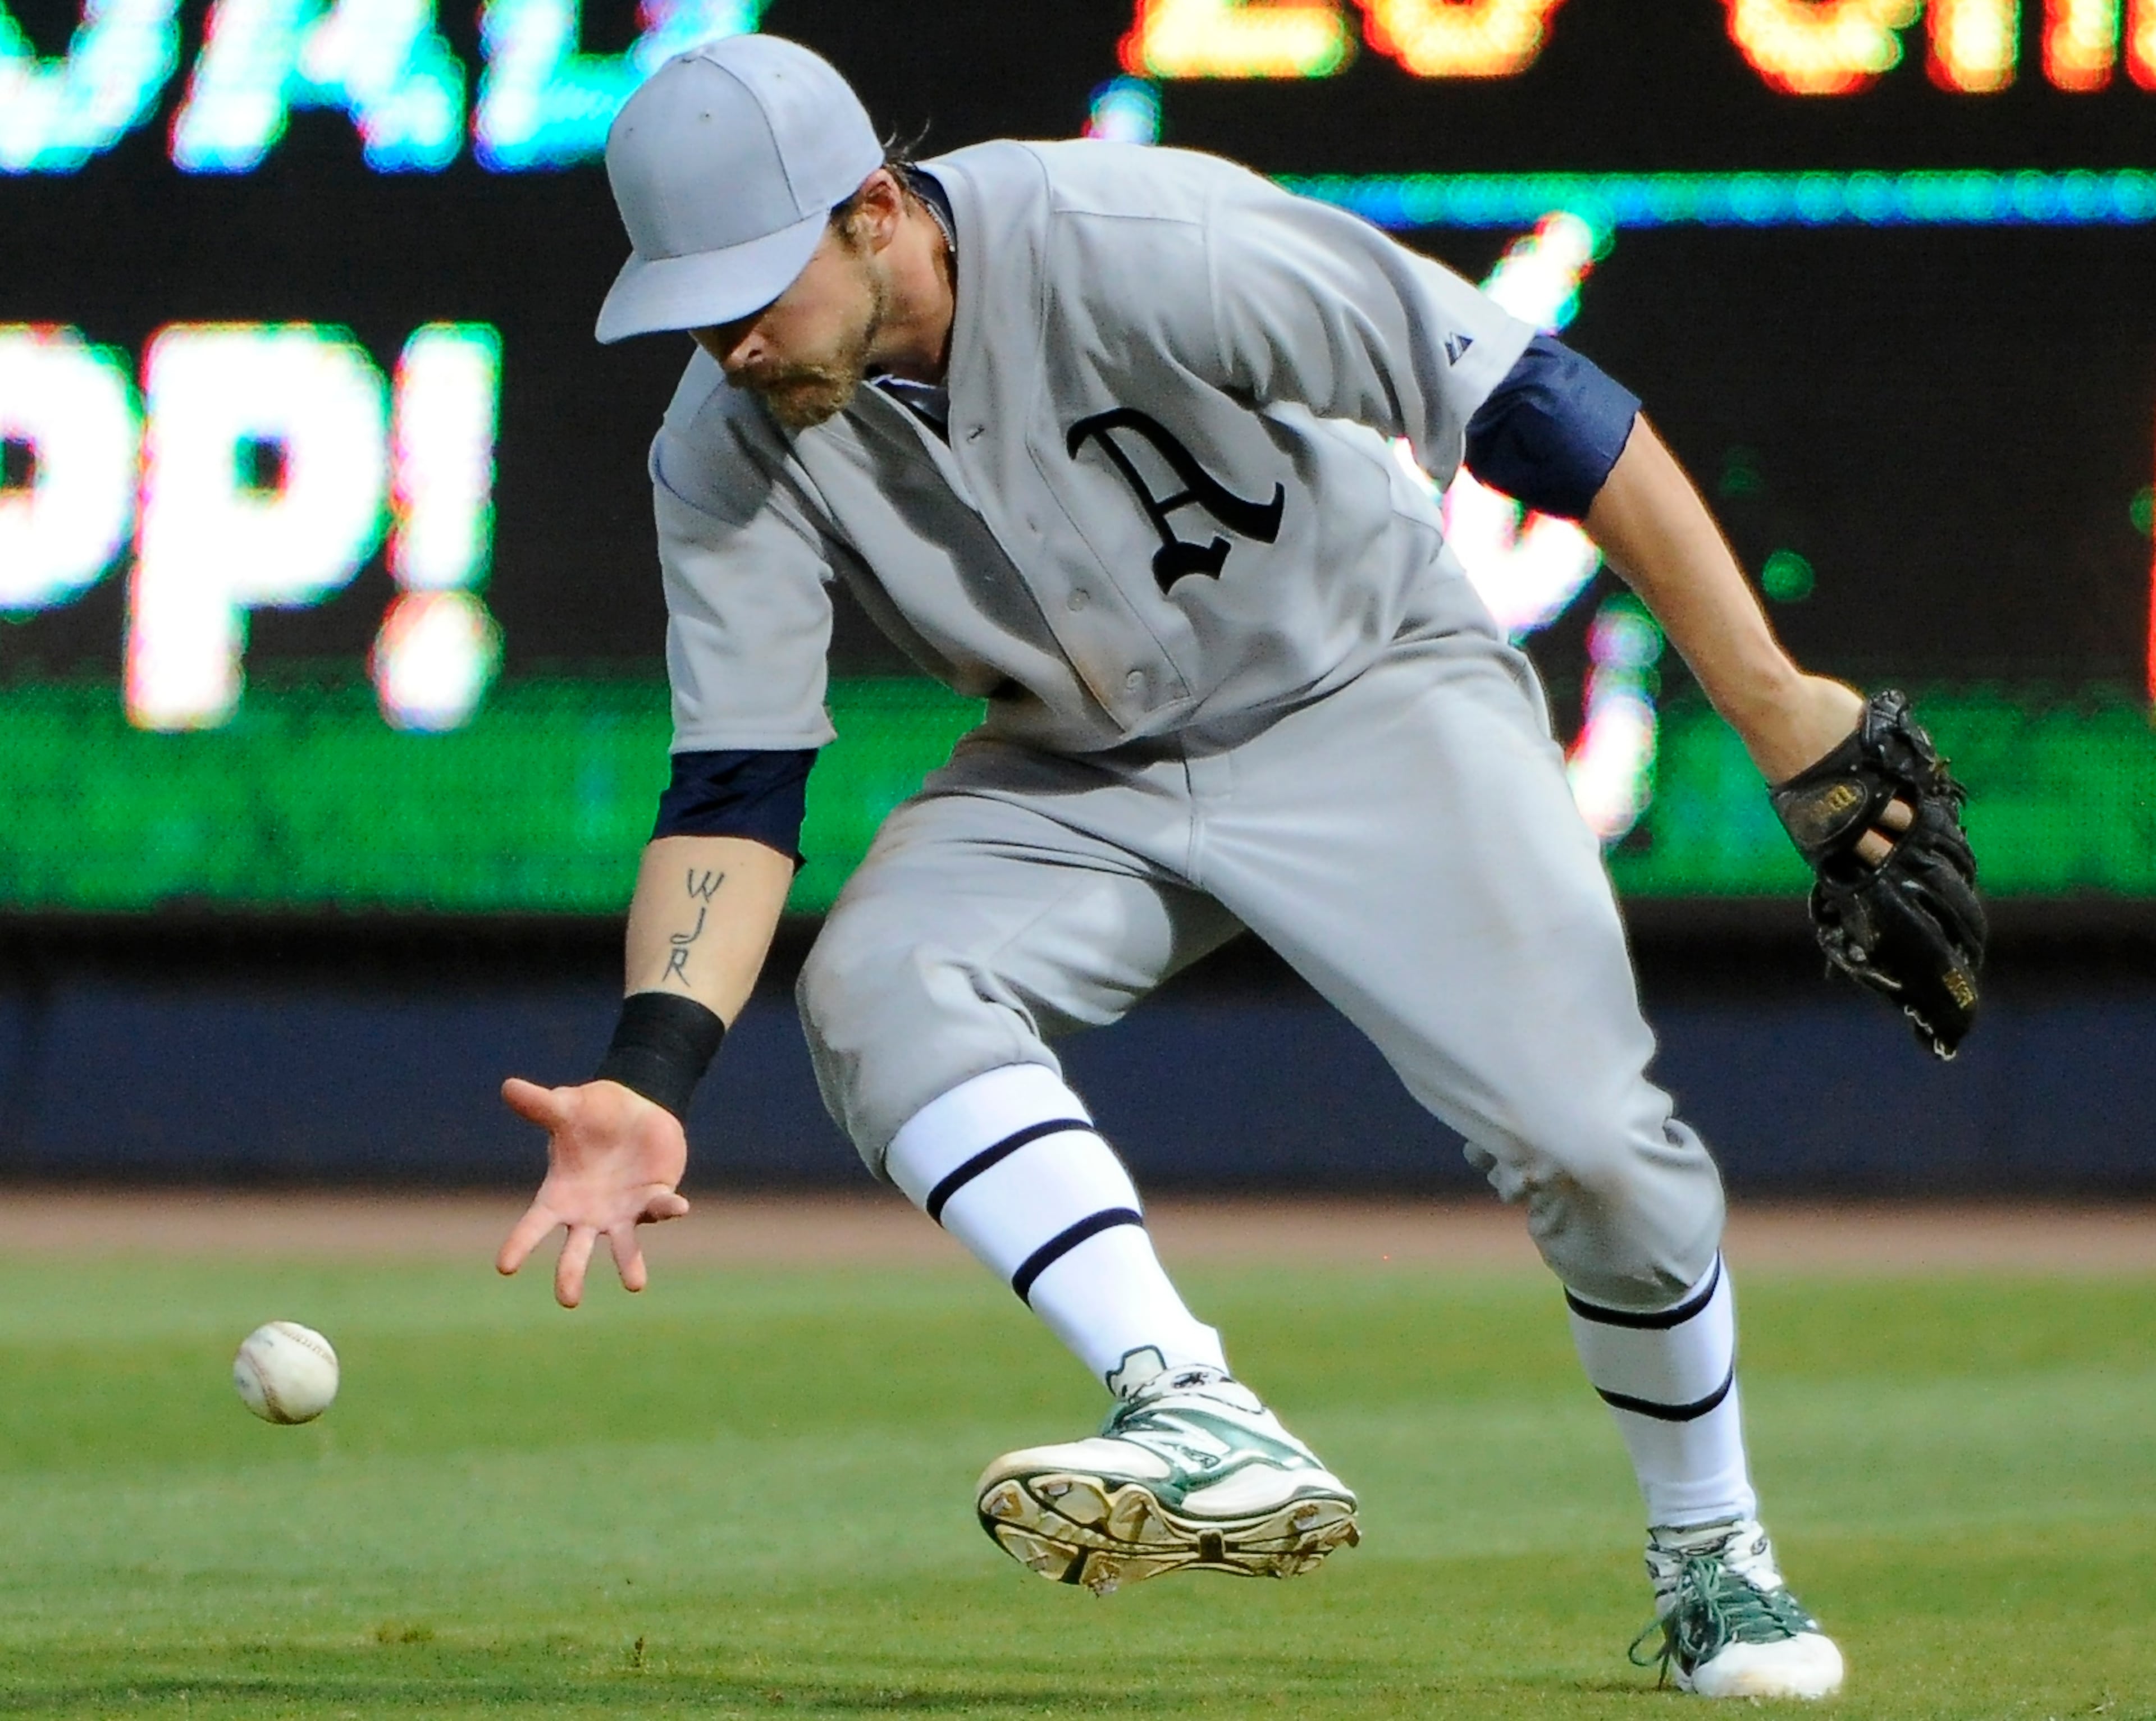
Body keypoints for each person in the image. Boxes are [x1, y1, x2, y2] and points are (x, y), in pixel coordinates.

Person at [494, 33, 1890, 1699]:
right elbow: (735, 783)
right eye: (693, 299)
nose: (727, 335)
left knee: (1595, 1148)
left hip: (1366, 690)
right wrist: (653, 1068)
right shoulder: (730, 434)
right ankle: (1187, 1397)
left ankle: (1713, 1557)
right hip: (1076, 762)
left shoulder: (1139, 235)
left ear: (876, 210)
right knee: (876, 980)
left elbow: (1535, 400)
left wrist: (1781, 712)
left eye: (753, 283)